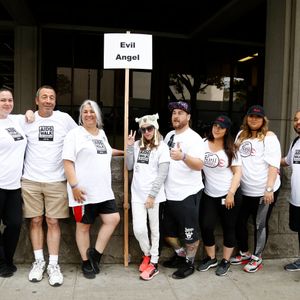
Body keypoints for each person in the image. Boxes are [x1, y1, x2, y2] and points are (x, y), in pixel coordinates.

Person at [21, 85, 77, 286]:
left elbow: (81, 137)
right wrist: (27, 113)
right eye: (44, 97)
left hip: (56, 180)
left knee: (53, 222)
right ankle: (39, 262)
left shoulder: (64, 119)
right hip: (30, 180)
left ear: (55, 101)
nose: (48, 100)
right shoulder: (27, 120)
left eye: (51, 97)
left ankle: (53, 265)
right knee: (35, 220)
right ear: (36, 101)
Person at [62, 100, 122, 279]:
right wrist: (74, 186)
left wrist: (128, 150)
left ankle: (95, 254)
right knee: (83, 227)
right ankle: (86, 263)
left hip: (103, 191)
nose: (88, 114)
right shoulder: (74, 134)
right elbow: (67, 161)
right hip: (83, 192)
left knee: (113, 219)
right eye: (85, 111)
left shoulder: (101, 134)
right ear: (81, 115)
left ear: (98, 115)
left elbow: (108, 151)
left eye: (92, 111)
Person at [231, 105, 281, 273]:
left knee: (260, 224)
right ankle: (244, 252)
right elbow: (236, 161)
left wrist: (269, 189)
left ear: (263, 120)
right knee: (239, 222)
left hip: (263, 190)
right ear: (246, 118)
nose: (254, 119)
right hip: (245, 190)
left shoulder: (269, 137)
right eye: (251, 116)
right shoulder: (240, 135)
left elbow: (274, 164)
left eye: (258, 117)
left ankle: (257, 257)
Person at [162, 100, 204, 279]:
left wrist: (183, 156)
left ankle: (189, 263)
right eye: (174, 113)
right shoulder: (169, 135)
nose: (176, 116)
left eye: (180, 113)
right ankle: (180, 256)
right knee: (168, 233)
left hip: (187, 193)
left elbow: (199, 165)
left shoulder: (194, 138)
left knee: (190, 233)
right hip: (168, 193)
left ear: (188, 117)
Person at [126, 113, 170, 281]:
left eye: (149, 128)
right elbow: (129, 165)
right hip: (137, 195)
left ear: (155, 128)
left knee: (155, 230)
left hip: (154, 197)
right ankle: (147, 253)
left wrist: (152, 195)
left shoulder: (162, 147)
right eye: (143, 129)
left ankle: (154, 262)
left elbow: (162, 174)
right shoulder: (137, 145)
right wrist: (130, 147)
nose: (146, 132)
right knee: (139, 229)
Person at [197, 115, 242, 276]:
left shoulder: (231, 148)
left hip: (228, 195)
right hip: (209, 194)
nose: (217, 129)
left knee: (228, 227)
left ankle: (225, 261)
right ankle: (211, 258)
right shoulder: (202, 144)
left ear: (227, 130)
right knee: (206, 225)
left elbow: (237, 173)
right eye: (215, 125)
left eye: (221, 127)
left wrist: (231, 193)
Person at [0, 87, 34, 277]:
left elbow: (30, 114)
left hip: (14, 185)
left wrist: (29, 112)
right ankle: (2, 262)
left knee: (14, 224)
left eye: (10, 100)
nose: (7, 103)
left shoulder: (15, 120)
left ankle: (7, 259)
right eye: (3, 100)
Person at [281, 110, 300, 271]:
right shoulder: (295, 142)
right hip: (296, 198)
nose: (298, 122)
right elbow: (286, 161)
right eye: (295, 119)